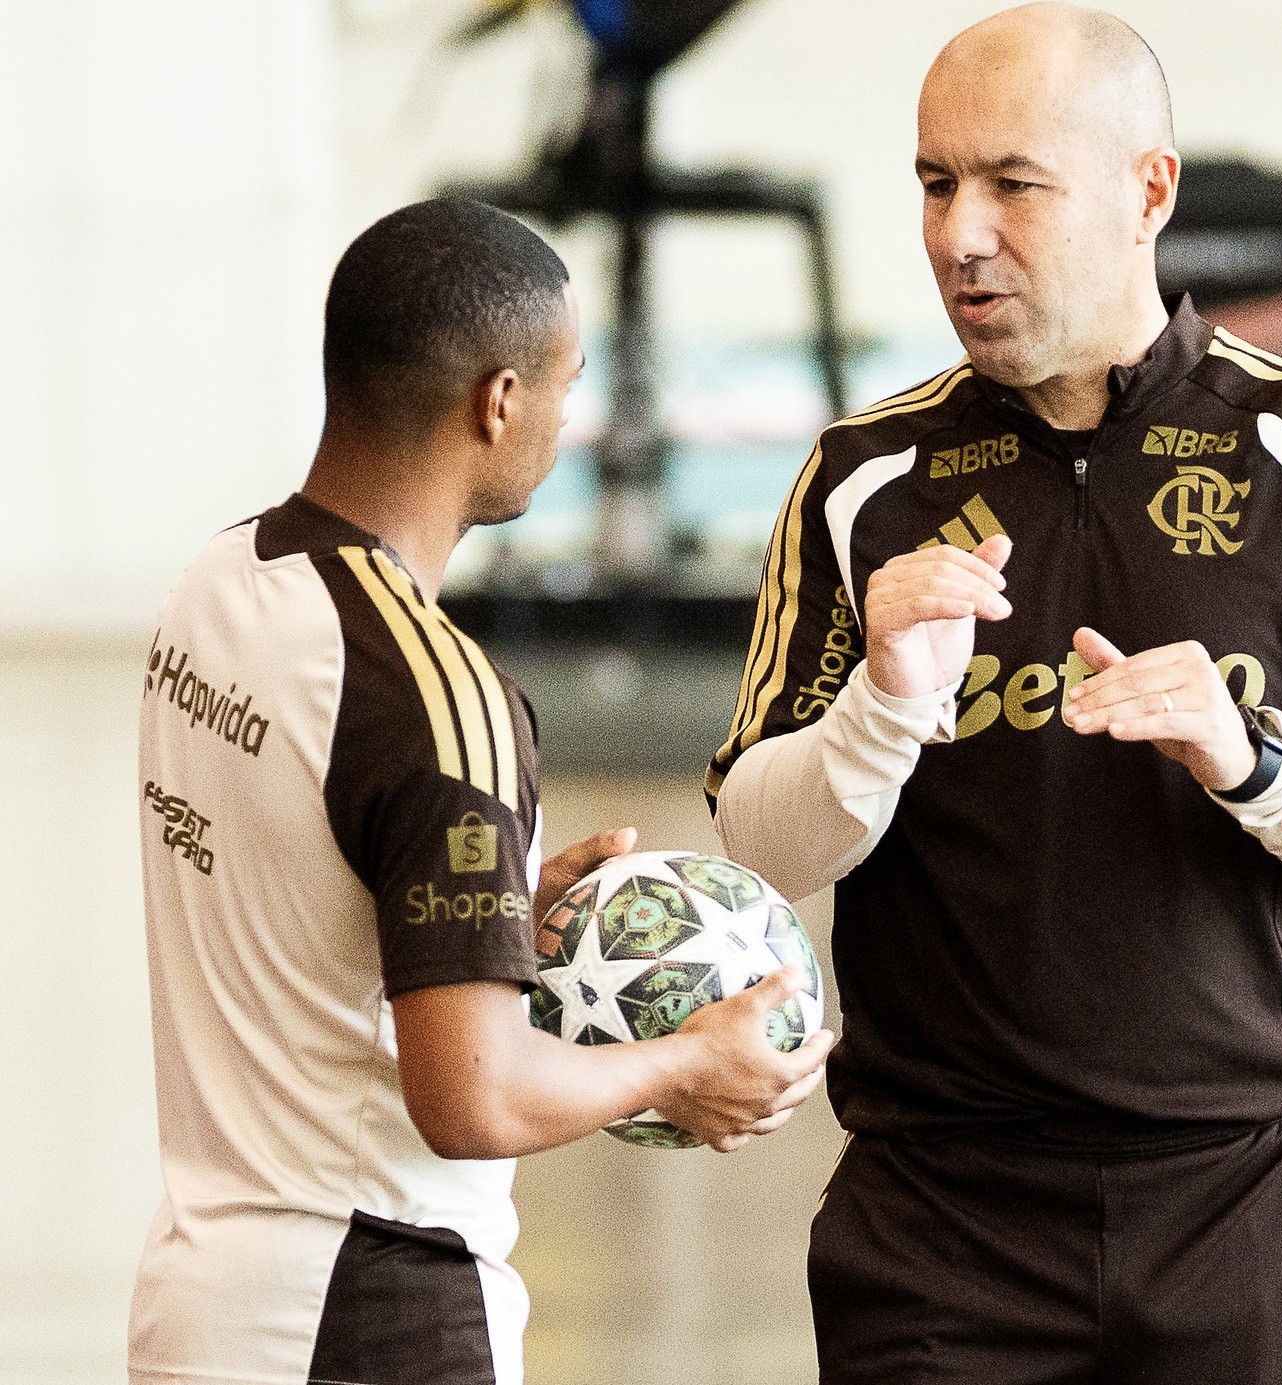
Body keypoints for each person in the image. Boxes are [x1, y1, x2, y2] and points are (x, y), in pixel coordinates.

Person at [706, 6, 1282, 1382]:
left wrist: (1253, 761)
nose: (959, 234)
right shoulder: (863, 482)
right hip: (942, 1221)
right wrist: (879, 706)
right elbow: (761, 846)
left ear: (1147, 190)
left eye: (1013, 183)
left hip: (1240, 1205)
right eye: (935, 183)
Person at [130, 198, 833, 1385]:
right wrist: (685, 1062)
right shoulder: (438, 697)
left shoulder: (224, 581)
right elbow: (475, 1097)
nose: (569, 416)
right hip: (368, 1313)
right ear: (496, 400)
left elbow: (303, 867)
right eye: (564, 382)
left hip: (203, 1300)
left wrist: (490, 902)